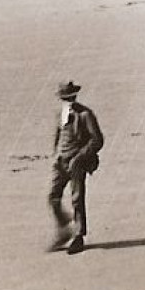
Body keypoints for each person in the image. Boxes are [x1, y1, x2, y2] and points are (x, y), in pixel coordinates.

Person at [48, 80, 104, 255]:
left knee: (77, 199)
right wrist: (56, 154)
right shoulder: (60, 114)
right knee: (53, 196)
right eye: (65, 98)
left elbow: (97, 140)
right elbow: (58, 135)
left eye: (70, 98)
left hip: (76, 162)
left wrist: (80, 157)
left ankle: (78, 235)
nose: (68, 101)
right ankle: (64, 229)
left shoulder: (86, 114)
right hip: (61, 162)